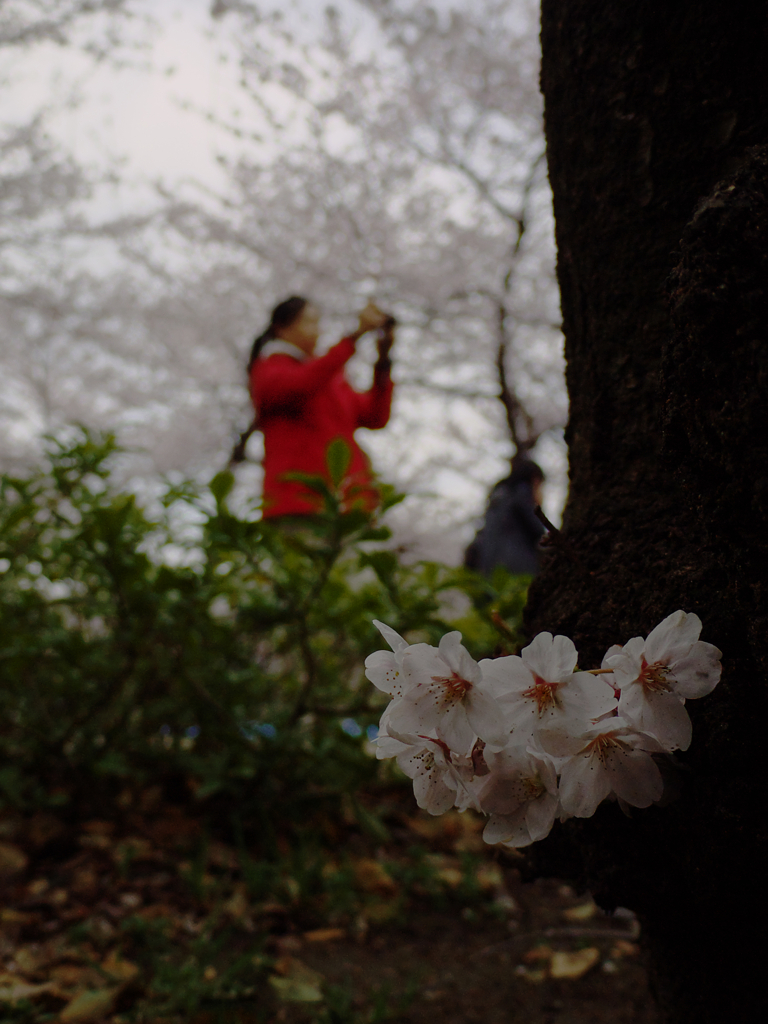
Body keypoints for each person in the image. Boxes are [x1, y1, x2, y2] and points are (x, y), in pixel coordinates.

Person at [245, 296, 394, 520]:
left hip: (347, 505)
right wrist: (353, 338)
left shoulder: (329, 378)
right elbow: (302, 384)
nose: (317, 331)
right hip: (298, 504)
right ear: (282, 329)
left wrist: (383, 360)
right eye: (309, 322)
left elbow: (374, 417)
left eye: (317, 323)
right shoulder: (270, 370)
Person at [465, 458, 546, 576]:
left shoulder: (498, 497)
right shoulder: (522, 493)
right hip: (519, 566)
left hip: (488, 568)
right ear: (534, 479)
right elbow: (537, 532)